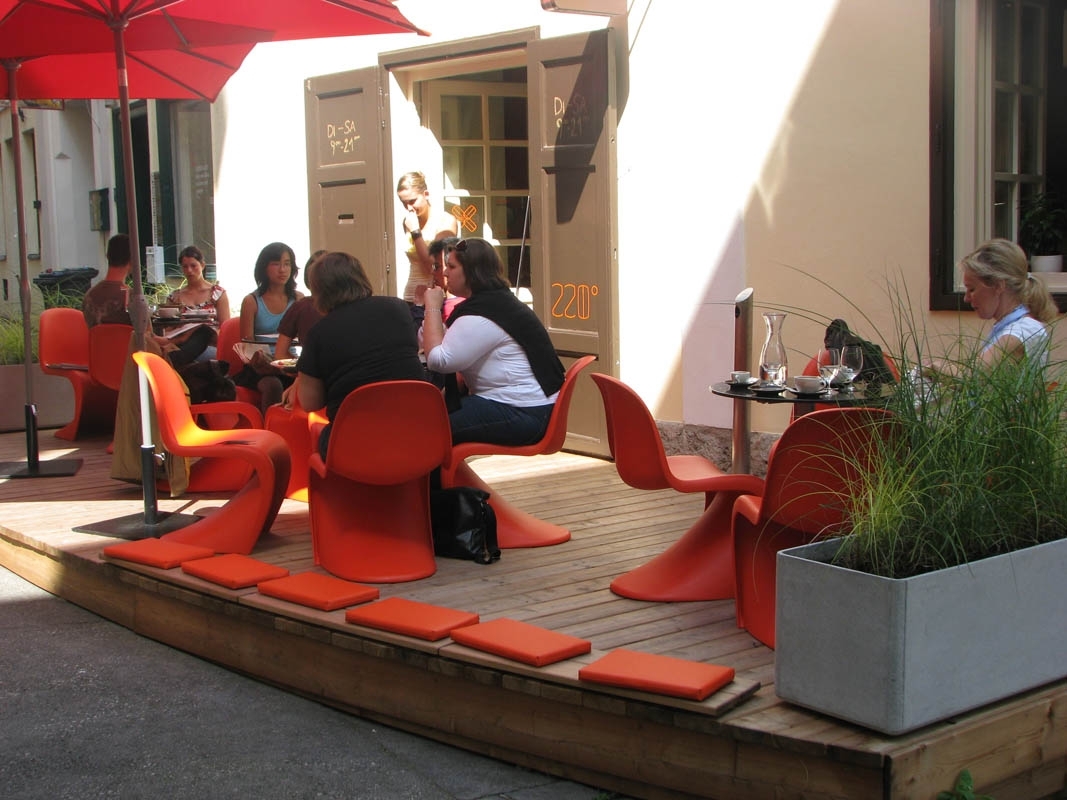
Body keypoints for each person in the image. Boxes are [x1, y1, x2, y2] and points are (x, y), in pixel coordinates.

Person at [422, 237, 565, 446]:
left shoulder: (483, 314)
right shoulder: (494, 303)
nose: (444, 273)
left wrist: (432, 307)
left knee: (427, 429)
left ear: (472, 272)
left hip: (524, 411)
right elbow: (435, 341)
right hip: (528, 406)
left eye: (451, 267)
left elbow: (438, 360)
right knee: (428, 419)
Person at [296, 251, 427, 458]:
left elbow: (310, 403)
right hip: (417, 436)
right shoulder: (399, 308)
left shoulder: (319, 333)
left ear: (319, 291)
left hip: (353, 445)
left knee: (321, 436)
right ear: (360, 278)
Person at [959, 238, 1056, 367]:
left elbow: (974, 373)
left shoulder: (1022, 330)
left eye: (972, 289)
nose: (966, 298)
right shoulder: (1008, 326)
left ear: (998, 286)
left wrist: (935, 367)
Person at [237, 242, 303, 410]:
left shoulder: (299, 299)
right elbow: (247, 346)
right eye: (276, 264)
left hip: (289, 363)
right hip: (260, 367)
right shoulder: (251, 301)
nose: (282, 270)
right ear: (264, 268)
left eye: (287, 264)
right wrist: (269, 362)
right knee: (273, 385)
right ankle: (270, 425)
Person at [396, 171, 459, 321]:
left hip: (434, 295)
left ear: (426, 194)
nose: (409, 208)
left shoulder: (445, 221)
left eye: (412, 201)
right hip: (411, 294)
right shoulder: (408, 221)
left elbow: (432, 266)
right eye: (403, 203)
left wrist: (416, 232)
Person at [162, 245, 229, 362]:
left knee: (203, 331)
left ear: (202, 265)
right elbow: (168, 328)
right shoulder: (175, 297)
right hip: (181, 343)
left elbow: (225, 327)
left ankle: (177, 359)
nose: (189, 270)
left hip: (209, 343)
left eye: (193, 266)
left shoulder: (217, 293)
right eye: (185, 267)